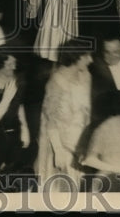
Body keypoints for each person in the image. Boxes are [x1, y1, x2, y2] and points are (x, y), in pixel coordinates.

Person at [35, 40, 93, 192]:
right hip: (60, 143)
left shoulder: (86, 76)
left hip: (80, 141)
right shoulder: (56, 81)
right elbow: (49, 119)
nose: (91, 60)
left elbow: (87, 111)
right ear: (76, 58)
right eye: (87, 56)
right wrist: (58, 150)